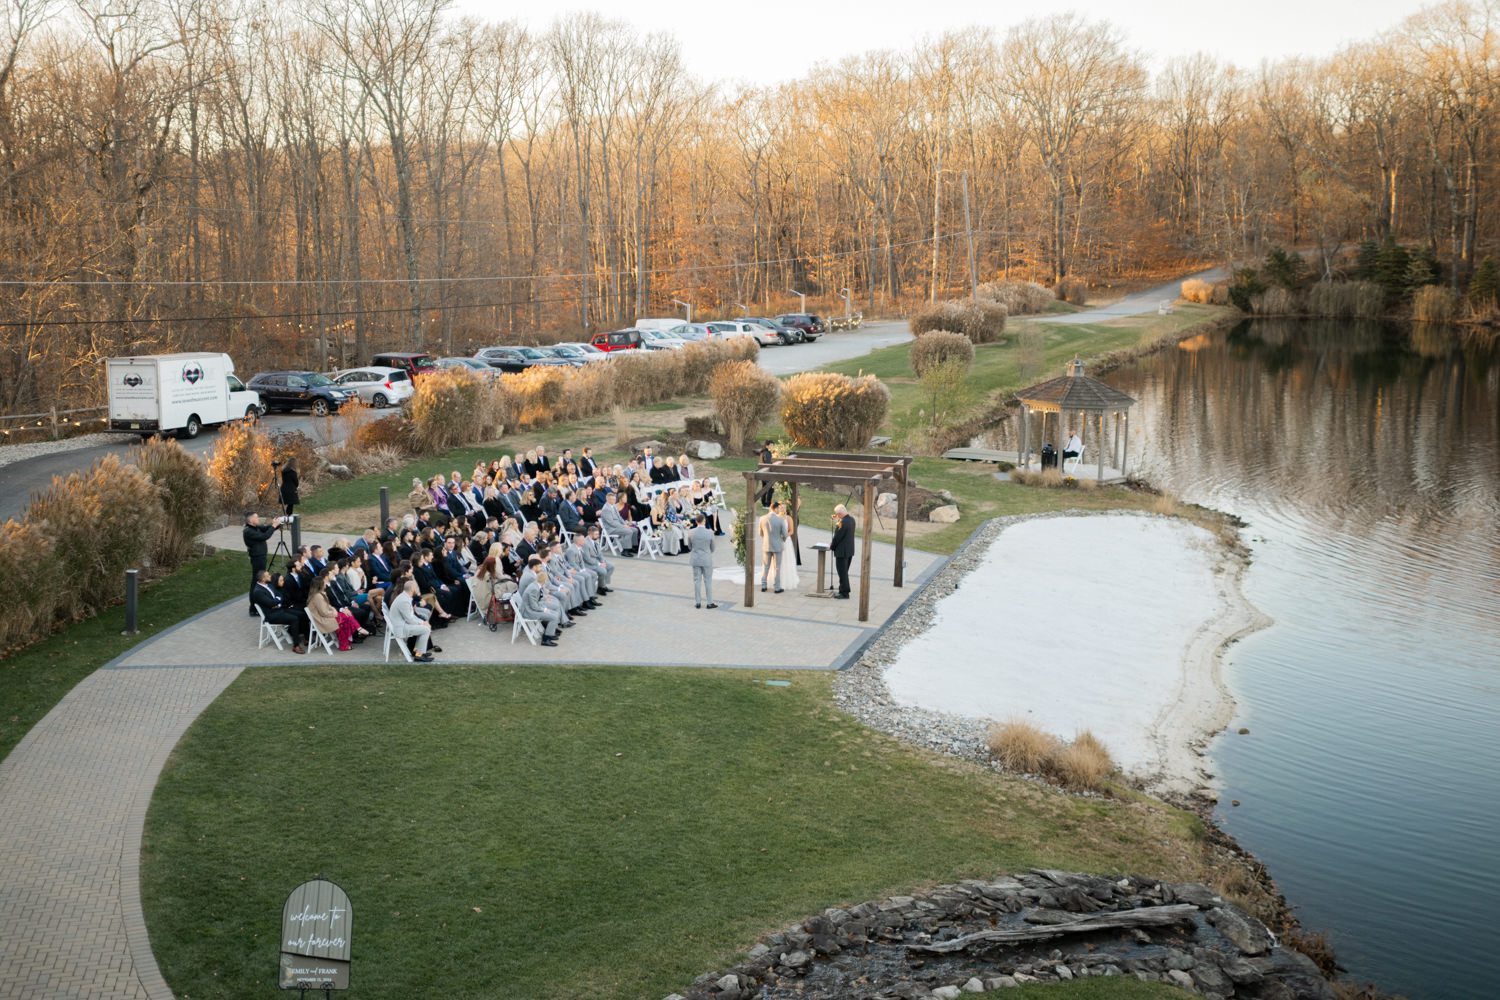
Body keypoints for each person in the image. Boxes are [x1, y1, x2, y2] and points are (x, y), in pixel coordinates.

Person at [250, 569, 307, 653]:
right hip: (272, 615)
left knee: (302, 614)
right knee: (294, 619)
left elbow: (279, 595)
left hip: (279, 609)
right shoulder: (258, 591)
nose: (270, 576)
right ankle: (296, 645)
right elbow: (271, 603)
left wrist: (277, 602)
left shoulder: (268, 585)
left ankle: (306, 637)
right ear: (262, 579)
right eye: (268, 575)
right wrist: (276, 602)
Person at [243, 511, 282, 616]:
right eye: (256, 517)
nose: (258, 518)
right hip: (257, 558)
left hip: (261, 557)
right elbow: (264, 536)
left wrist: (276, 524)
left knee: (258, 581)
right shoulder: (248, 531)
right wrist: (273, 527)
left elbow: (266, 529)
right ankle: (254, 608)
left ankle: (259, 605)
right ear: (251, 520)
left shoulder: (255, 527)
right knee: (257, 582)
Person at [387, 579, 435, 662]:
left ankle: (418, 652)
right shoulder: (404, 600)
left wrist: (422, 622)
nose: (417, 588)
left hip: (402, 624)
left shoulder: (404, 596)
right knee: (426, 630)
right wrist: (423, 623)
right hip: (401, 628)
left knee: (424, 627)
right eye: (416, 587)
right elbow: (410, 619)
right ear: (412, 588)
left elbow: (411, 616)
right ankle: (419, 655)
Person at [688, 513, 717, 609]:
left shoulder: (691, 532)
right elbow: (713, 548)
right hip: (706, 559)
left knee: (697, 581)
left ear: (696, 521)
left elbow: (689, 547)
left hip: (695, 559)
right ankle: (709, 602)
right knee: (708, 581)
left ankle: (698, 602)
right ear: (704, 521)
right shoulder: (710, 533)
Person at [760, 501, 788, 593]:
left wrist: (766, 539)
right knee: (777, 567)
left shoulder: (762, 518)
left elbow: (760, 533)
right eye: (778, 508)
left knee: (766, 566)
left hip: (766, 545)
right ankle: (777, 587)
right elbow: (785, 534)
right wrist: (782, 540)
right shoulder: (780, 520)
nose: (779, 510)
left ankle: (763, 585)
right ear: (775, 508)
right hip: (777, 546)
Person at [831, 503, 855, 600]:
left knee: (842, 572)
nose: (837, 516)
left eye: (837, 514)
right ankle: (842, 589)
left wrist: (832, 546)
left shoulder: (843, 522)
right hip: (849, 551)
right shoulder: (852, 520)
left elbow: (837, 537)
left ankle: (844, 592)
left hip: (842, 552)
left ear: (840, 513)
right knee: (844, 572)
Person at [757, 440, 775, 506]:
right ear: (767, 446)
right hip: (765, 473)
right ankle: (767, 504)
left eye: (773, 445)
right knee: (770, 488)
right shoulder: (767, 453)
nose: (772, 447)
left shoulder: (765, 452)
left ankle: (764, 503)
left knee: (765, 487)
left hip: (763, 472)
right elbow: (768, 463)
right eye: (771, 445)